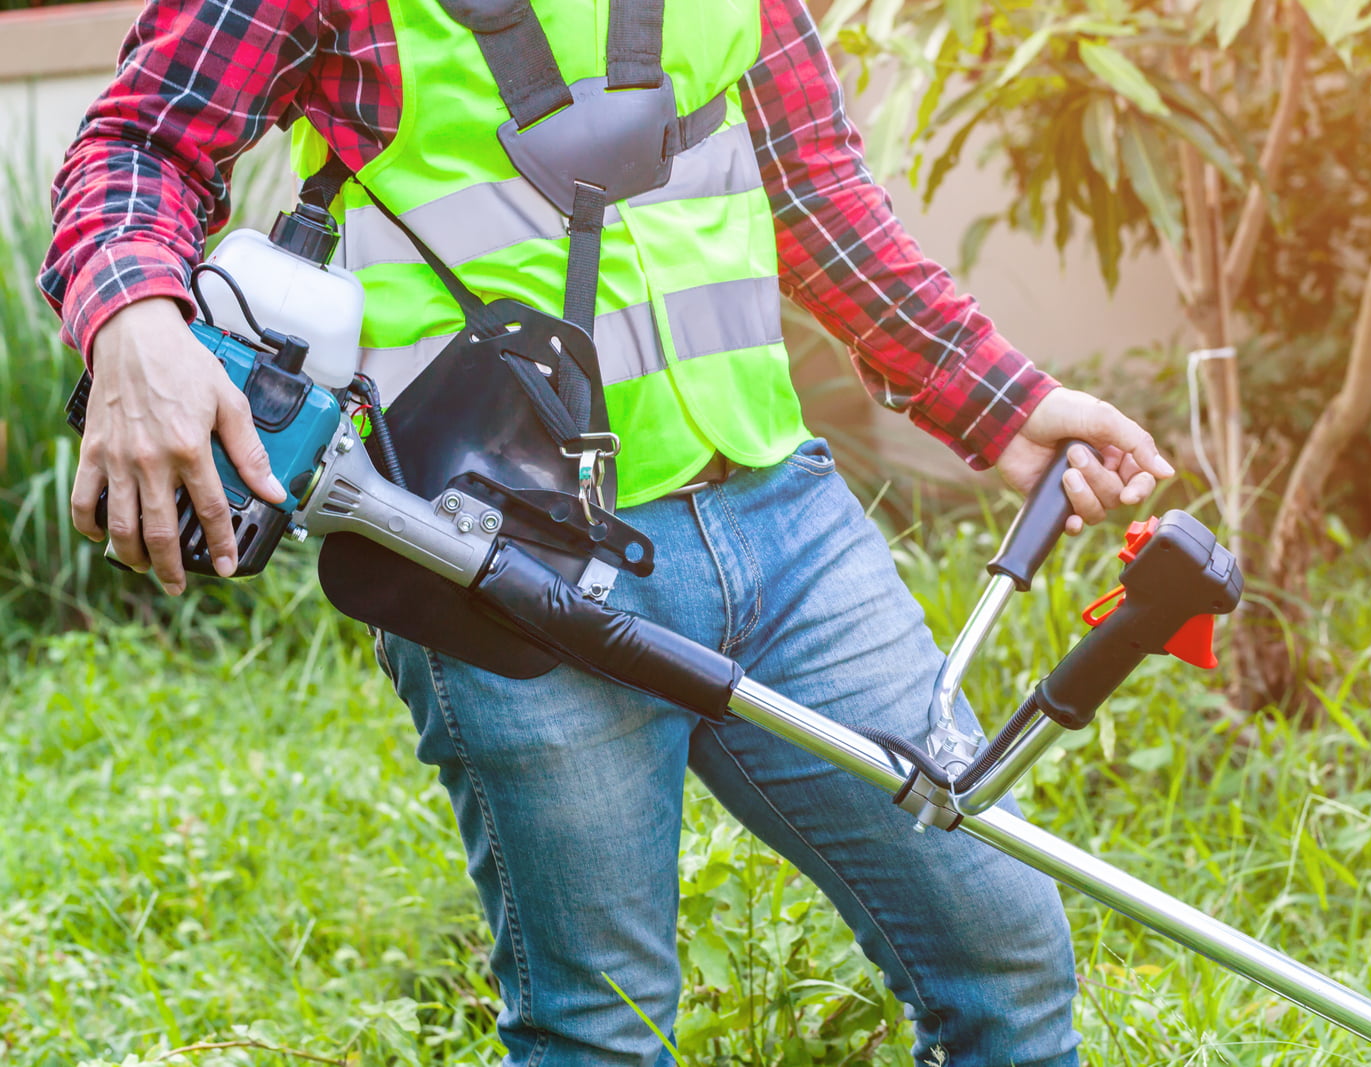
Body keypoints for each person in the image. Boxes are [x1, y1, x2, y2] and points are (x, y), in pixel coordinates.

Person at [41, 0, 1176, 1062]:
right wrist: (136, 320)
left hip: (783, 521)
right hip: (491, 553)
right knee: (602, 1026)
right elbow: (137, 144)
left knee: (1003, 950)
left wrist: (999, 401)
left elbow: (810, 186)